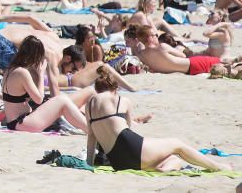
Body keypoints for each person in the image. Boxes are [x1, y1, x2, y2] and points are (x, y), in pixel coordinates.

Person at [85, 66, 227, 171]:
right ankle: (217, 167)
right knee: (177, 144)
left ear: (97, 89)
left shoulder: (90, 104)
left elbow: (91, 137)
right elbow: (128, 131)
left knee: (173, 159)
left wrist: (89, 165)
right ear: (115, 89)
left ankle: (163, 169)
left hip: (118, 161)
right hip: (132, 148)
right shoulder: (122, 99)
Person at [0, 36, 90, 133]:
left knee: (61, 100)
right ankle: (90, 130)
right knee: (62, 100)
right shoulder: (22, 73)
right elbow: (38, 99)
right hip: (22, 123)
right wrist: (41, 73)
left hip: (15, 122)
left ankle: (88, 128)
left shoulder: (9, 69)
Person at [135, 25, 236, 75]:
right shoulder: (162, 47)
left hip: (189, 70)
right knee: (225, 63)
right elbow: (183, 56)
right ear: (149, 38)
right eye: (155, 35)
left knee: (225, 65)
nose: (157, 36)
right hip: (193, 64)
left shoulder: (141, 55)